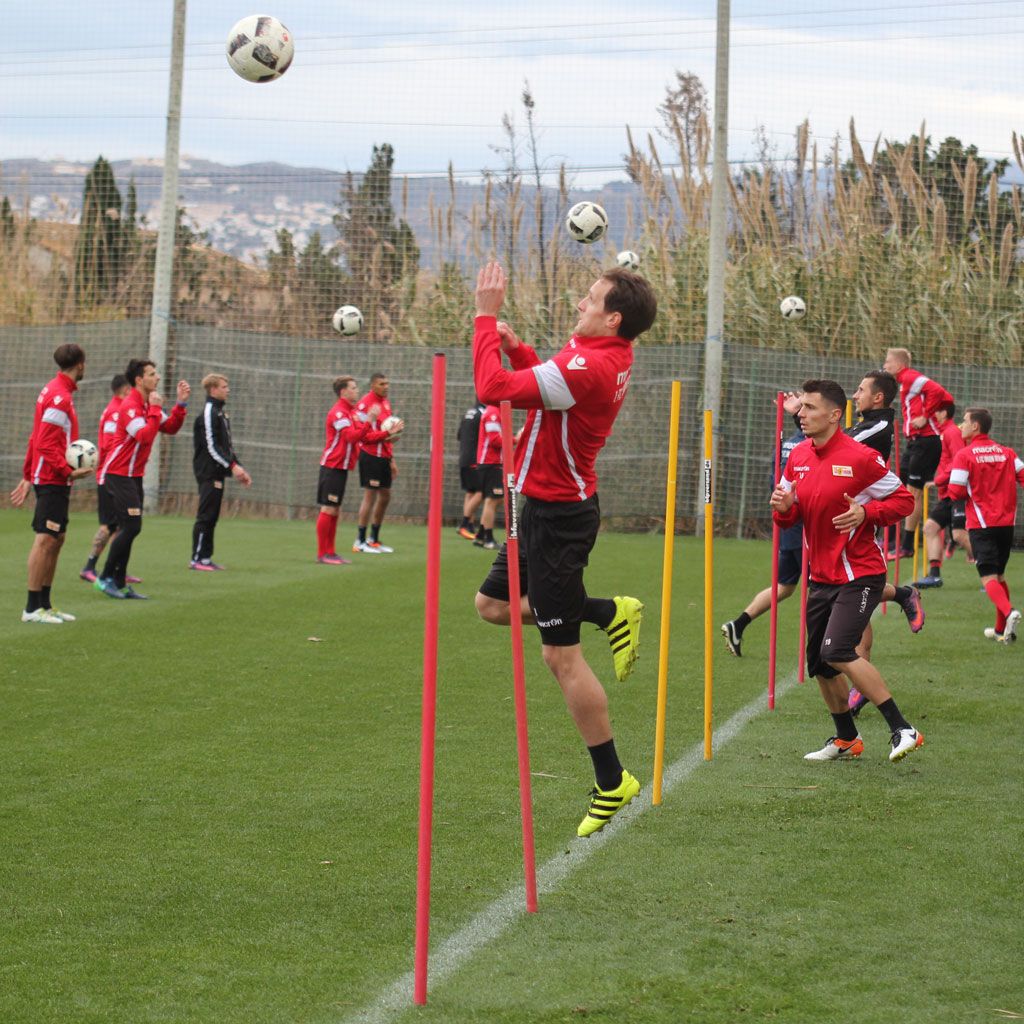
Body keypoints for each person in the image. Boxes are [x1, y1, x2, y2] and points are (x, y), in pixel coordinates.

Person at [472, 260, 656, 837]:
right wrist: (518, 345)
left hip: (560, 519)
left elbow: (493, 389)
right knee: (493, 606)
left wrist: (485, 315)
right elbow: (549, 386)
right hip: (542, 510)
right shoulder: (598, 356)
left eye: (591, 297)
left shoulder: (592, 363)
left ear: (614, 317)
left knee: (560, 656)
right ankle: (607, 611)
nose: (581, 302)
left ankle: (612, 780)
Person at [770, 379, 924, 764]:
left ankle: (903, 728)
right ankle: (847, 739)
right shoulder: (799, 456)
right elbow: (787, 518)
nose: (801, 414)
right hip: (820, 575)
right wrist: (785, 506)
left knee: (836, 650)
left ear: (835, 415)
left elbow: (904, 500)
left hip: (861, 572)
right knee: (819, 664)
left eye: (810, 408)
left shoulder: (861, 458)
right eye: (801, 407)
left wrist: (867, 512)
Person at [95, 358, 190, 599]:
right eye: (152, 374)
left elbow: (171, 428)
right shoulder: (129, 406)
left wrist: (180, 404)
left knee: (130, 527)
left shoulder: (149, 404)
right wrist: (157, 410)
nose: (157, 377)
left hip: (133, 475)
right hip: (118, 474)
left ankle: (120, 583)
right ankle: (105, 577)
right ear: (139, 380)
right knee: (132, 526)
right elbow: (145, 436)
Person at [10, 343, 91, 624]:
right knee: (46, 539)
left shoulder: (57, 391)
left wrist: (27, 473)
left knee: (57, 538)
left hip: (49, 475)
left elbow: (36, 436)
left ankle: (45, 604)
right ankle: (32, 609)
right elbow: (44, 441)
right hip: (52, 477)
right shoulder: (59, 397)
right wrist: (66, 471)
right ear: (80, 364)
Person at [946, 407, 1024, 643]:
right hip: (1006, 525)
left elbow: (956, 491)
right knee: (999, 575)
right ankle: (1002, 631)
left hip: (982, 525)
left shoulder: (965, 455)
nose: (962, 425)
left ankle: (1010, 612)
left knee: (988, 577)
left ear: (976, 426)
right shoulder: (1007, 452)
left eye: (965, 421)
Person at [882, 347, 953, 559]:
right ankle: (892, 540)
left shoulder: (911, 377)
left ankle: (906, 545)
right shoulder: (901, 382)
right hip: (914, 442)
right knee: (898, 489)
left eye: (888, 361)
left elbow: (941, 393)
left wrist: (926, 415)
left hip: (926, 441)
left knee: (914, 492)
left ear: (900, 364)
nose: (885, 364)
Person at [317, 375, 396, 564]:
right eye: (353, 388)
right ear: (343, 391)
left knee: (334, 510)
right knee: (328, 508)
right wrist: (370, 420)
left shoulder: (350, 413)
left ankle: (331, 551)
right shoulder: (338, 413)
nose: (356, 391)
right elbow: (351, 437)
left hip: (343, 467)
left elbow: (365, 437)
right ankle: (323, 553)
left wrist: (388, 434)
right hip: (332, 466)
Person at [191, 373, 252, 570]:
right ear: (213, 389)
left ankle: (206, 558)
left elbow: (227, 447)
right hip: (207, 471)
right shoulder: (209, 412)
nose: (228, 390)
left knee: (212, 516)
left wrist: (238, 467)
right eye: (224, 386)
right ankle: (196, 558)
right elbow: (211, 447)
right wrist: (232, 466)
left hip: (218, 471)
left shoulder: (220, 413)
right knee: (205, 515)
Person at [914, 402, 972, 588]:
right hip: (947, 493)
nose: (931, 413)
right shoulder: (943, 432)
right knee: (930, 529)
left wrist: (939, 480)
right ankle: (935, 575)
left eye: (935, 410)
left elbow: (958, 460)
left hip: (955, 492)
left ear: (944, 412)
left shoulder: (951, 432)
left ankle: (991, 570)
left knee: (960, 536)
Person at [80, 373, 131, 584]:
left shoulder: (119, 409)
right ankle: (89, 567)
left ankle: (118, 569)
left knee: (121, 525)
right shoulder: (115, 412)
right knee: (109, 525)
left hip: (116, 475)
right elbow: (110, 444)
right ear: (125, 389)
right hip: (109, 476)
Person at [353, 373, 400, 554]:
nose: (386, 386)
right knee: (370, 495)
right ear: (372, 385)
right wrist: (388, 434)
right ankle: (360, 540)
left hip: (384, 457)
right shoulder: (365, 405)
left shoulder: (385, 403)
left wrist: (392, 459)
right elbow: (363, 437)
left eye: (387, 383)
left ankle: (374, 539)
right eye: (382, 384)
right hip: (370, 456)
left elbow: (387, 433)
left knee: (385, 495)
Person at [473, 402, 504, 550]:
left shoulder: (495, 411)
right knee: (493, 500)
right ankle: (488, 539)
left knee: (495, 500)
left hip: (490, 463)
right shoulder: (493, 412)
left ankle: (480, 535)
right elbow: (494, 439)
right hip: (490, 463)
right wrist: (516, 440)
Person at [456, 398, 486, 540]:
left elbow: (459, 436)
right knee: (482, 492)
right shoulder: (484, 414)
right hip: (475, 458)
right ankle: (464, 523)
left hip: (463, 457)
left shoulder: (468, 413)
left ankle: (469, 525)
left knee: (471, 491)